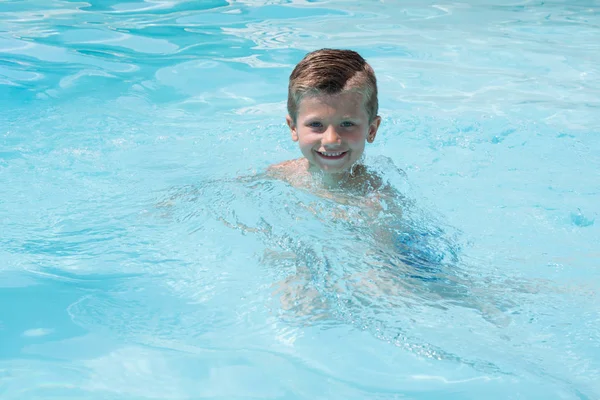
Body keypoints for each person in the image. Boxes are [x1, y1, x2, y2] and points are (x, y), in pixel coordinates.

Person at [267, 48, 386, 200]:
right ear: (293, 128)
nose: (331, 140)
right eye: (316, 124)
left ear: (371, 130)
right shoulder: (280, 174)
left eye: (347, 124)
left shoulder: (375, 196)